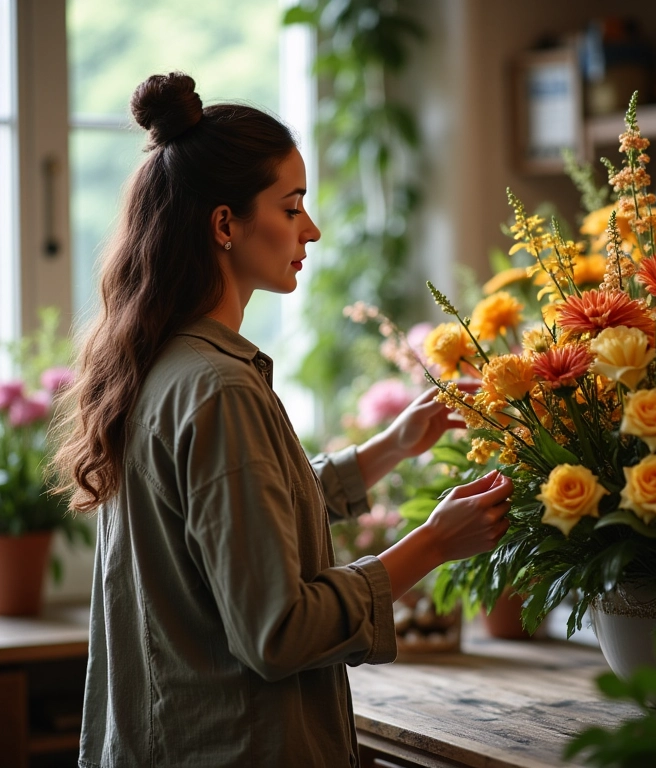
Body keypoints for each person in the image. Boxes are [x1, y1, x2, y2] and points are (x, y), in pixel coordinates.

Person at [53, 72, 513, 768]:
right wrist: (432, 544)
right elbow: (279, 630)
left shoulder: (161, 366)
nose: (313, 229)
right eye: (292, 206)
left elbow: (237, 523)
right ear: (225, 225)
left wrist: (389, 448)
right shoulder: (219, 389)